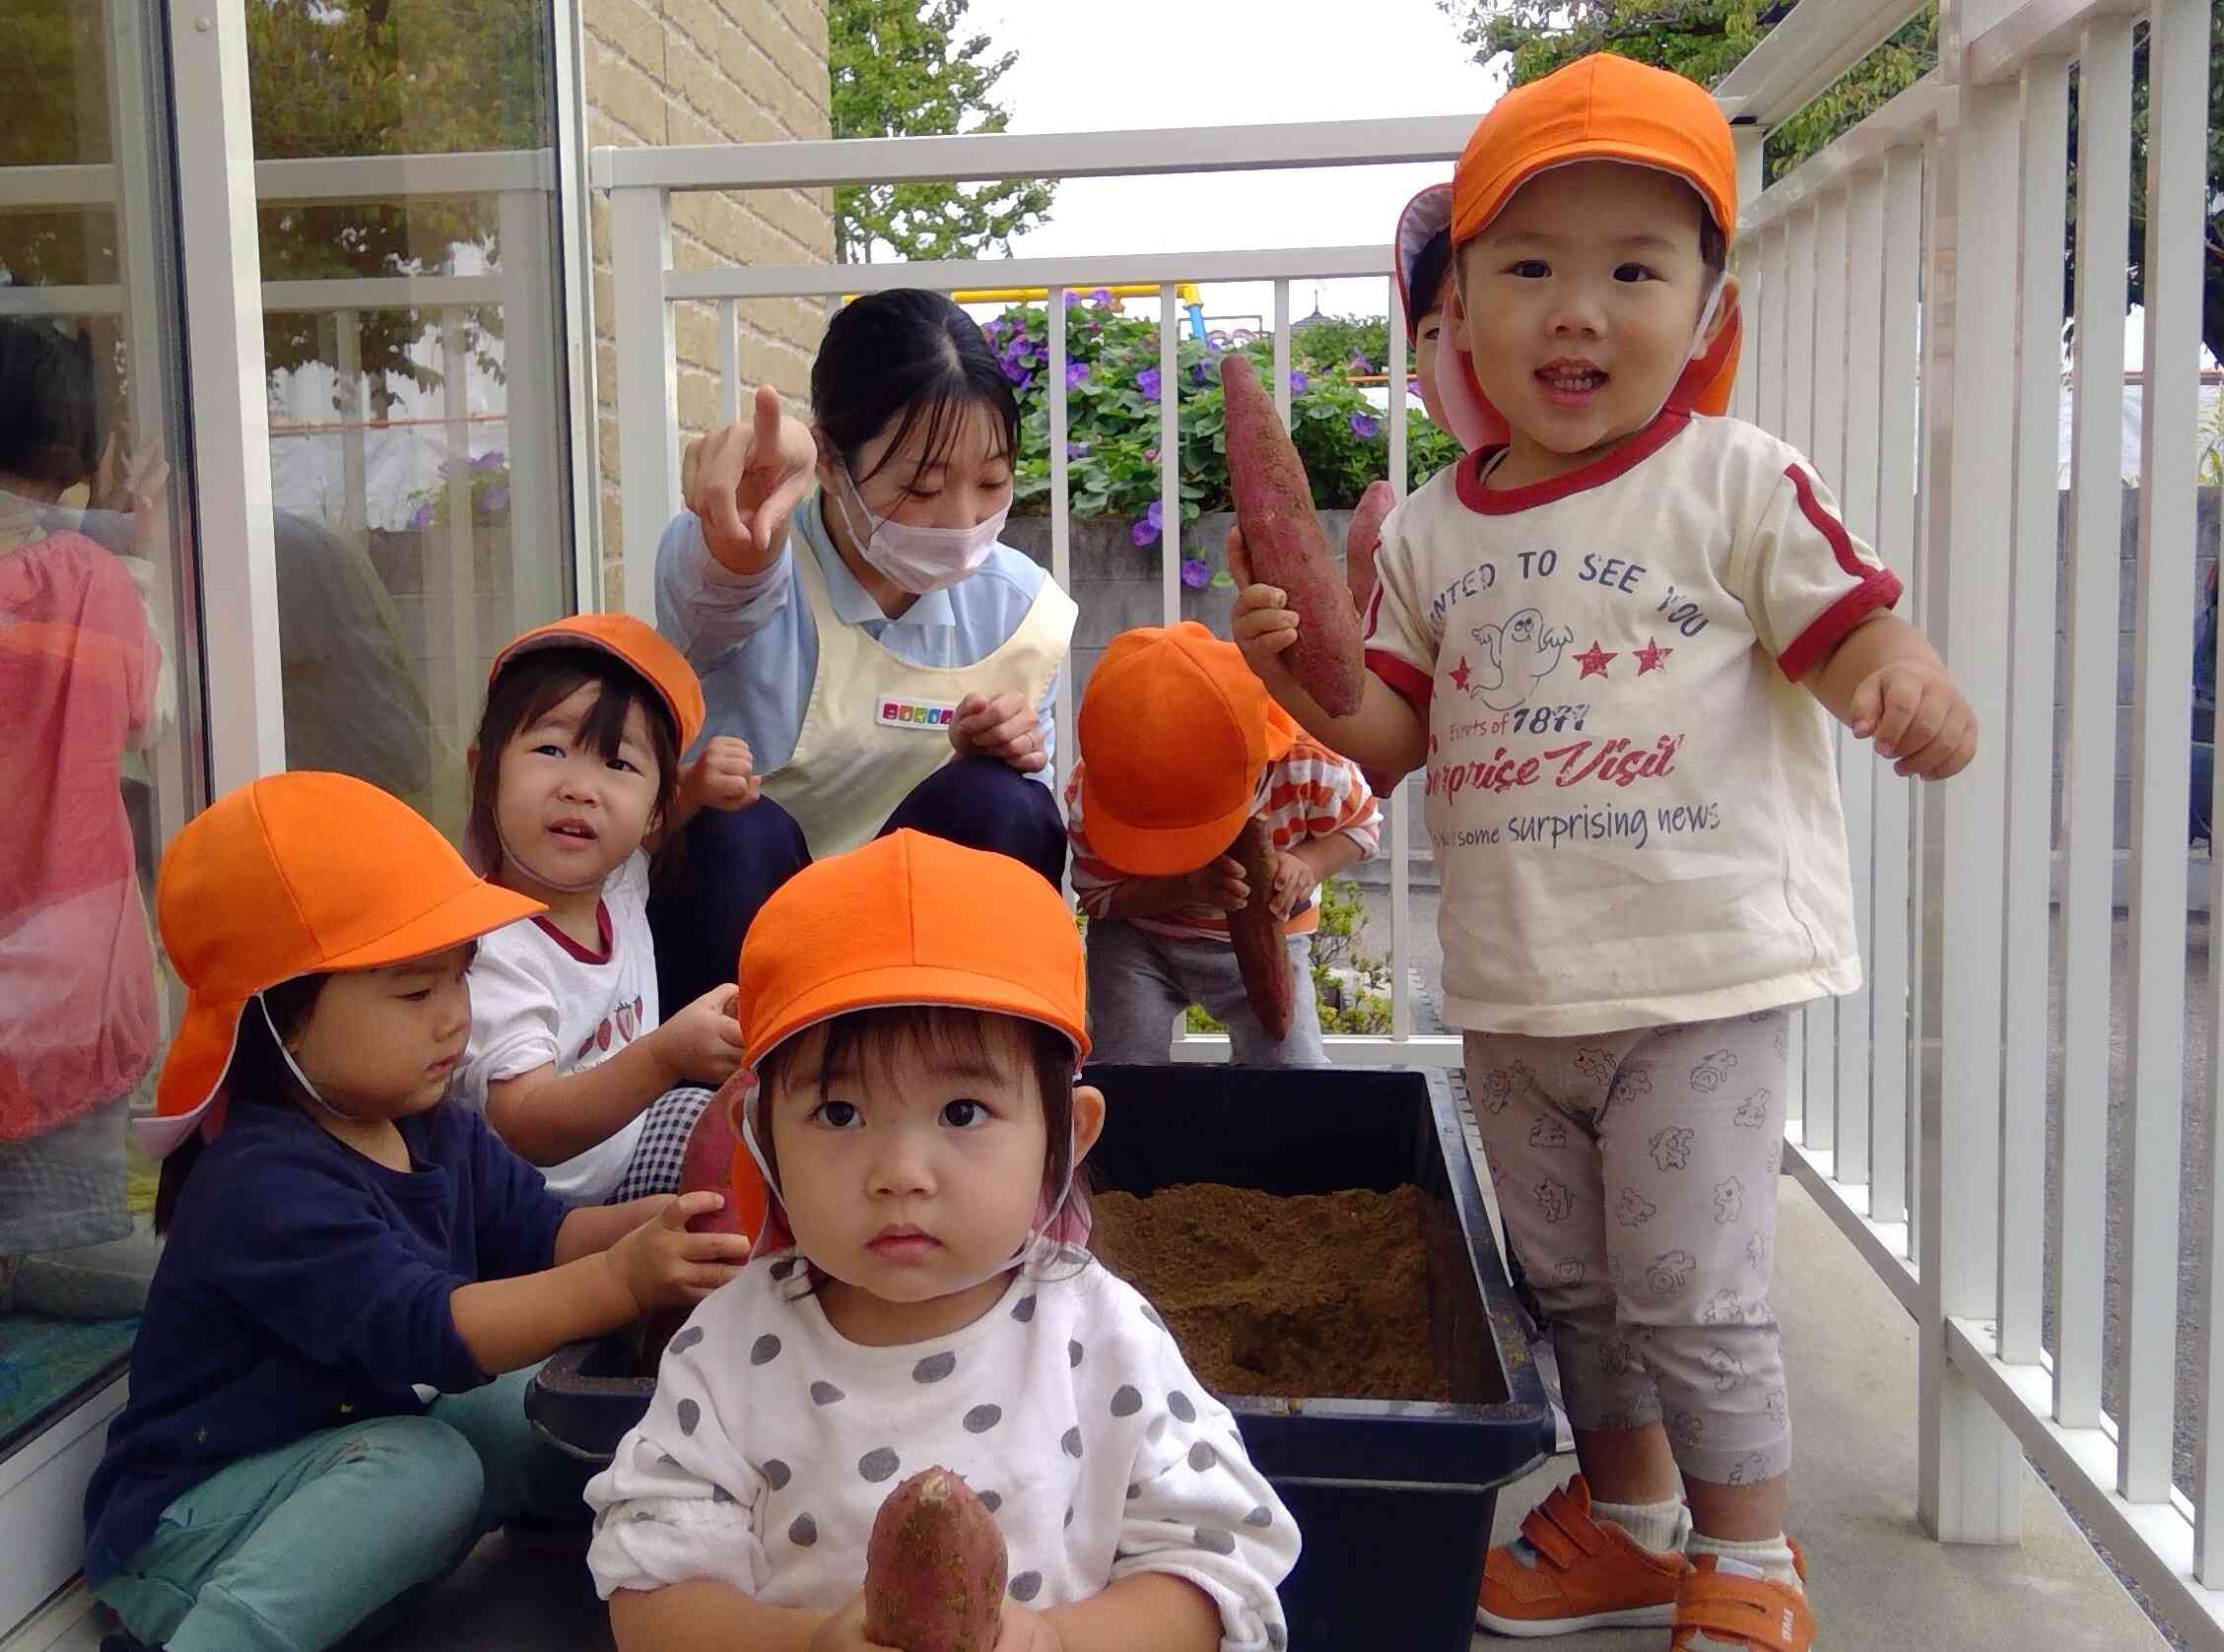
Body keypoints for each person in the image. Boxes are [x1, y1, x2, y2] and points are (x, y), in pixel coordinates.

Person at [1230, 54, 1977, 1652]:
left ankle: (1751, 1552)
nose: (1577, 311)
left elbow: (1847, 622)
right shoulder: (1435, 527)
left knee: (1691, 1283)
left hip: (1697, 969)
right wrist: (1299, 674)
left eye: (1631, 270)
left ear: (1706, 313)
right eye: (1529, 270)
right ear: (1460, 326)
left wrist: (1894, 683)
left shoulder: (1734, 482)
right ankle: (1632, 1522)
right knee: (1572, 1285)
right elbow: (1383, 741)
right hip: (1516, 985)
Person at [83, 771, 753, 1652]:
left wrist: (689, 1219)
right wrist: (624, 1278)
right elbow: (440, 1329)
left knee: (529, 1402)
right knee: (431, 1466)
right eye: (413, 991)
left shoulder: (429, 1126)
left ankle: (612, 1544)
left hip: (339, 1473)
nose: (455, 1019)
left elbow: (547, 1236)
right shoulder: (260, 1183)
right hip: (196, 1531)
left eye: (460, 979)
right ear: (278, 1018)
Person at [584, 830, 1301, 1651]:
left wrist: (1059, 1641)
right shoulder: (729, 1350)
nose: (900, 1173)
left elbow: (1217, 1568)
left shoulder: (1100, 1337)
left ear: (1066, 1136)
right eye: (839, 1112)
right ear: (760, 1137)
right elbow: (651, 1587)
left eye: (962, 1112)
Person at [648, 289, 1079, 1010]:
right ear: (827, 462)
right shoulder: (762, 560)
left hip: (920, 937)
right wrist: (742, 528)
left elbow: (1029, 831)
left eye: (991, 483)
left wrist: (1003, 753)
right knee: (732, 825)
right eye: (922, 485)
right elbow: (724, 584)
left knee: (1007, 801)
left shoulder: (1020, 610)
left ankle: (989, 1060)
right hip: (745, 926)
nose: (961, 520)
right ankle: (722, 1093)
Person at [459, 614, 764, 1206]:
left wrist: (694, 788)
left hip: (626, 1155)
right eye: (549, 749)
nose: (581, 787)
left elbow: (650, 829)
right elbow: (525, 1125)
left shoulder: (619, 884)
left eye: (618, 765)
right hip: (527, 1213)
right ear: (482, 772)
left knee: (746, 1128)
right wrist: (664, 1055)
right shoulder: (490, 947)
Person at [0, 316, 166, 1318]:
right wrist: (126, 548)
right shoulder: (88, 584)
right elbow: (154, 709)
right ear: (77, 456)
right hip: (66, 987)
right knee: (64, 1260)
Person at [1066, 622, 1380, 1066]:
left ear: (1258, 759)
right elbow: (1100, 899)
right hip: (1143, 940)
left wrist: (1307, 863)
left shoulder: (1308, 761)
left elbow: (1362, 828)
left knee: (1295, 1069)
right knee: (1124, 1069)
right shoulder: (1097, 793)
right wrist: (1186, 886)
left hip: (1272, 937)